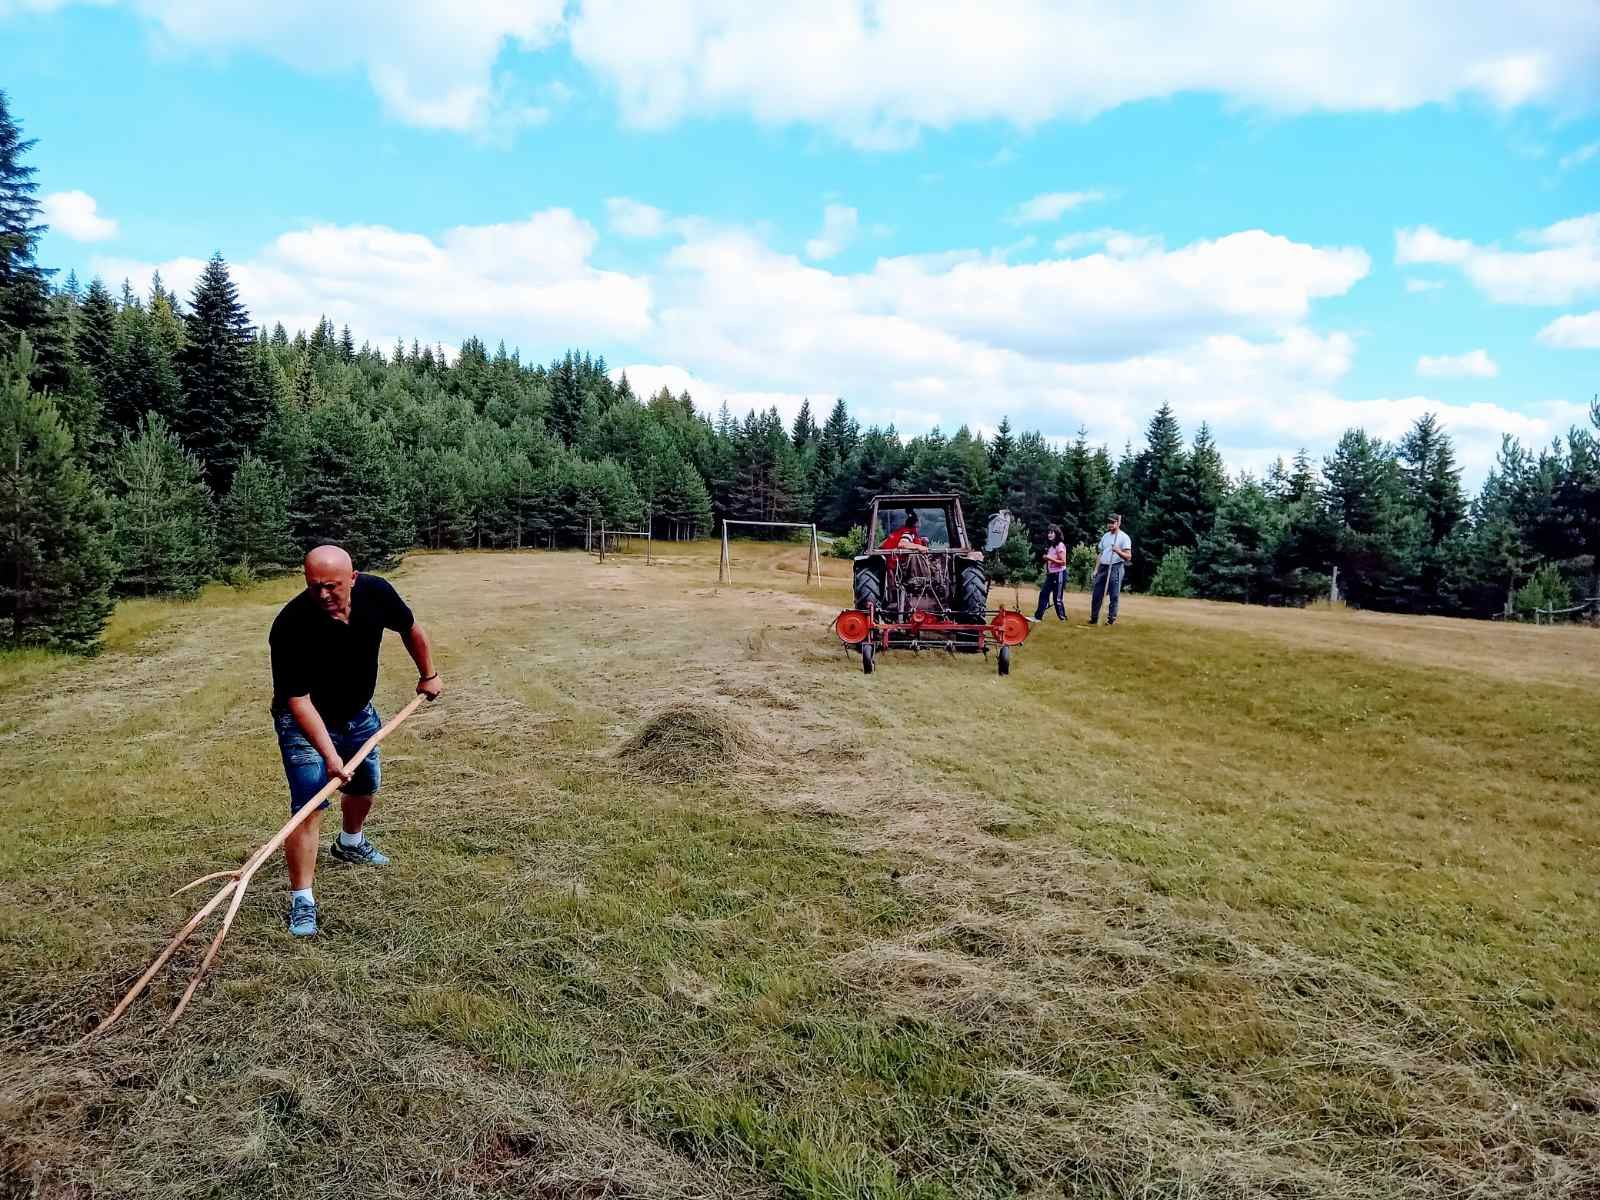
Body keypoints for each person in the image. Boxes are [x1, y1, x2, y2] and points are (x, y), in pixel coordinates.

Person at [269, 545, 442, 937]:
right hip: (305, 723)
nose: (324, 595)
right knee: (309, 806)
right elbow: (297, 701)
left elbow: (409, 627)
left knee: (366, 785)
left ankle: (350, 843)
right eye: (315, 587)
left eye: (332, 586)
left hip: (358, 713)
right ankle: (303, 900)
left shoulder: (376, 593)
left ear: (353, 578)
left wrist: (429, 674)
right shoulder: (291, 624)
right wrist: (330, 757)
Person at [1089, 513, 1133, 626]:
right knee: (1097, 593)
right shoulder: (1105, 536)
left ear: (1118, 523)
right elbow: (1100, 554)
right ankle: (1094, 618)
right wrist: (1096, 569)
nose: (1110, 525)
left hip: (1115, 567)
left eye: (1113, 522)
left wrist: (1118, 551)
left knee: (1114, 595)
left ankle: (1111, 619)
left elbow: (1128, 557)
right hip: (1103, 567)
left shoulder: (1124, 537)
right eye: (1109, 522)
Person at [1034, 525, 1068, 621]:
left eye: (1051, 533)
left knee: (1057, 598)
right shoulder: (1051, 546)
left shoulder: (1060, 545)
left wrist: (1049, 558)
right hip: (1051, 575)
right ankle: (1038, 616)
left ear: (1056, 534)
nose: (1049, 534)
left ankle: (1062, 618)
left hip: (1059, 574)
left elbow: (1063, 562)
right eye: (1048, 532)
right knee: (1043, 594)